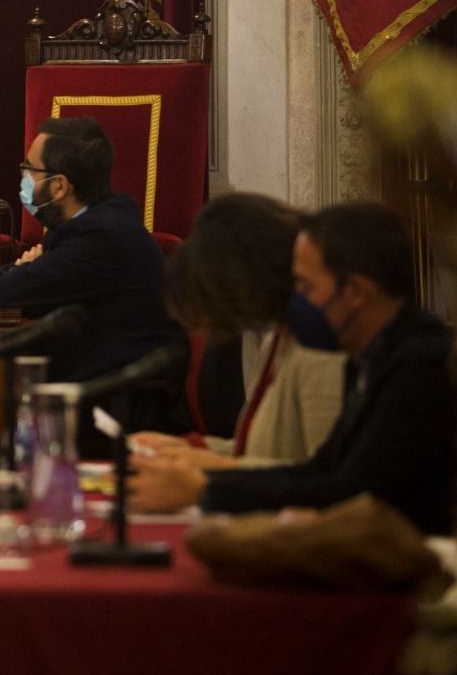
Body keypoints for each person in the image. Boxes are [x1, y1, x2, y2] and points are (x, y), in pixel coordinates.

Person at [132, 202, 456, 535]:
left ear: (356, 292)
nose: (295, 298)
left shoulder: (417, 360)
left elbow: (349, 490)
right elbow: (323, 469)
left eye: (305, 287)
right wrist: (198, 466)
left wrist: (203, 486)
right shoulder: (374, 355)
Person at [0, 117, 188, 443]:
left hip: (117, 411)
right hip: (96, 395)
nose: (24, 179)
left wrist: (20, 271)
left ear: (59, 186)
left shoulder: (100, 238)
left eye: (29, 169)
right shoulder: (96, 223)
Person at [130, 193, 344, 469]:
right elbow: (261, 448)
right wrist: (186, 448)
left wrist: (207, 473)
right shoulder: (278, 335)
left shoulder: (319, 346)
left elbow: (325, 473)